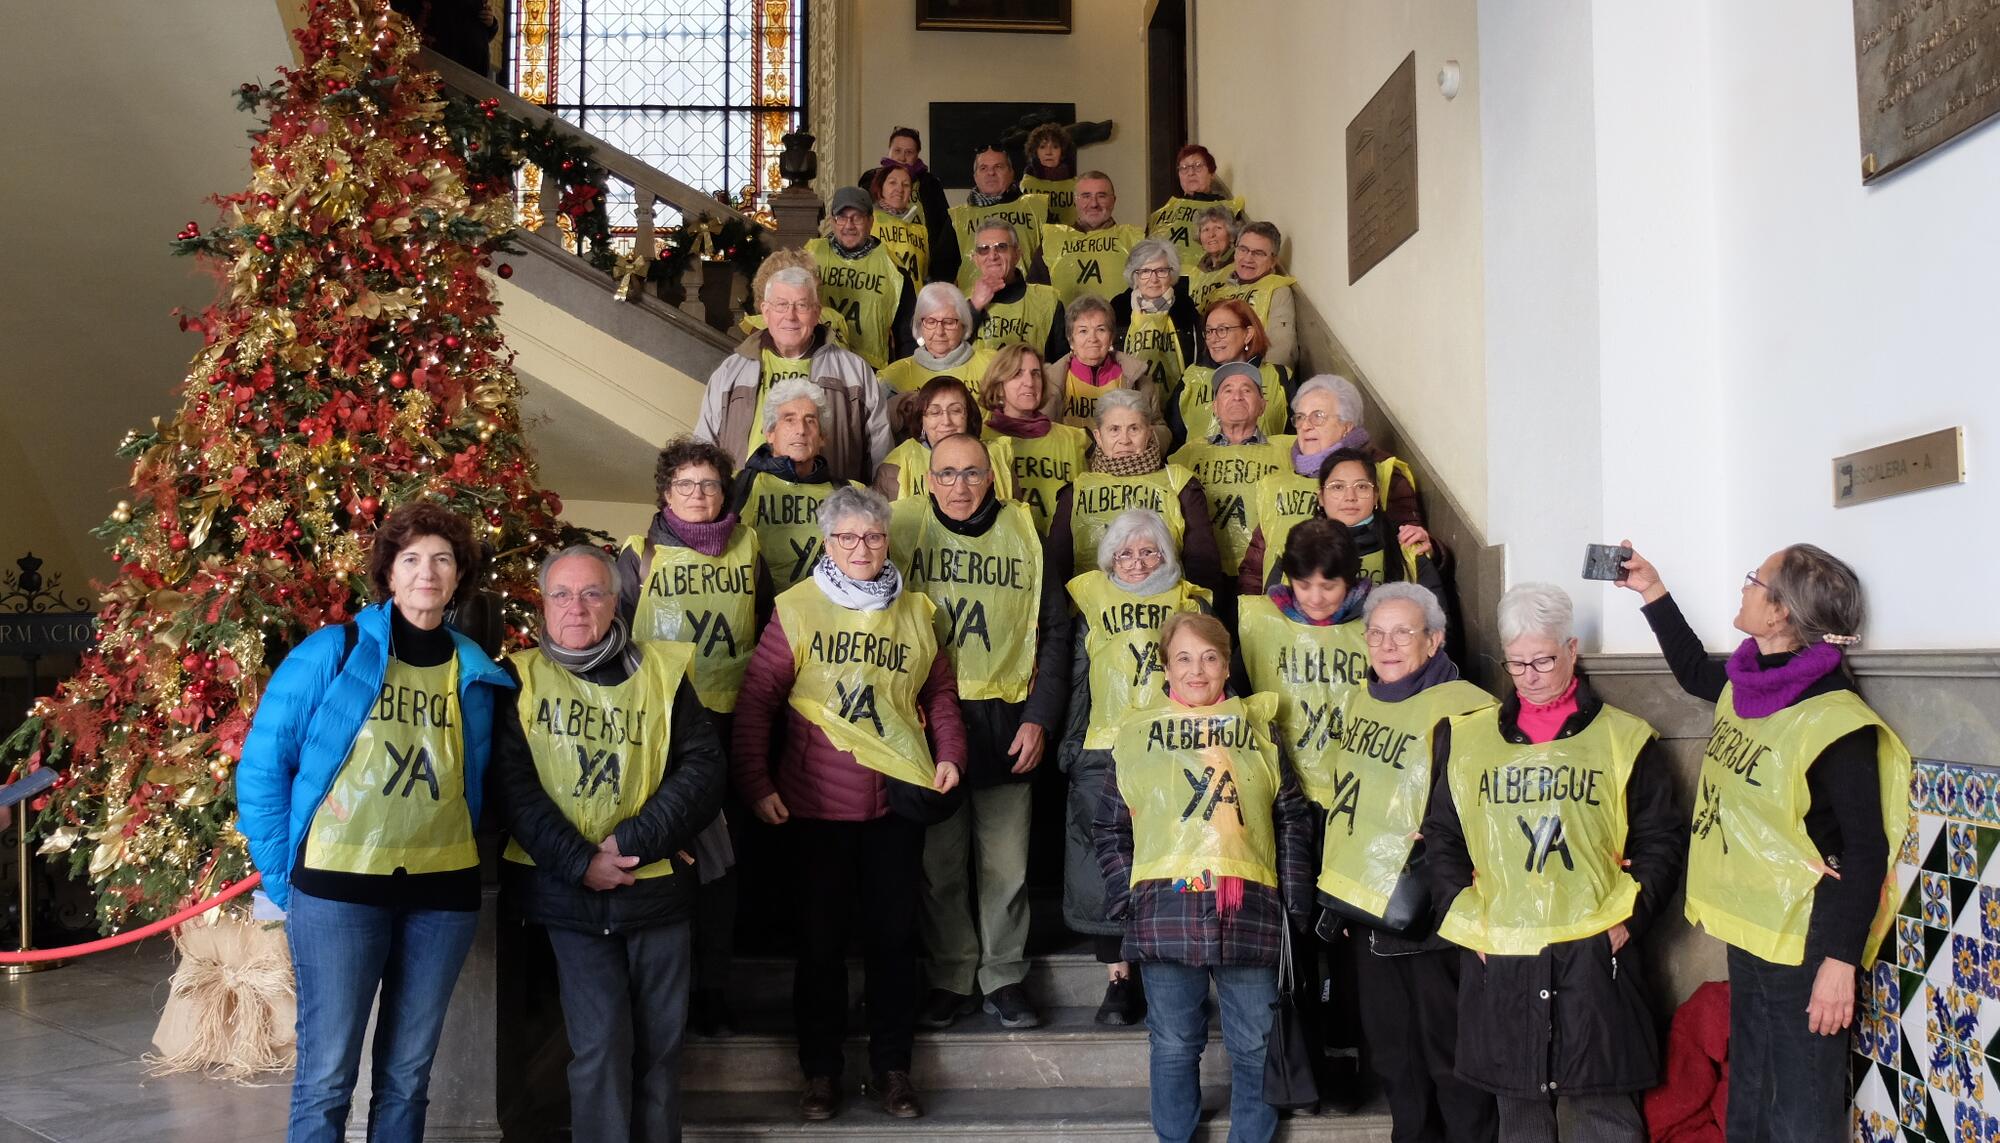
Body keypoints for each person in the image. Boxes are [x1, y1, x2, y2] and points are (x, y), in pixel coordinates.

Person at [237, 502, 514, 1143]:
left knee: (408, 1078)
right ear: (388, 573)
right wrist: (286, 881)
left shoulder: (476, 670)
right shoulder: (334, 651)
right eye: (411, 559)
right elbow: (261, 768)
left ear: (458, 577)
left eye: (442, 559)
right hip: (337, 891)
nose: (427, 572)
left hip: (442, 893)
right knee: (327, 1077)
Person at [1617, 543, 1910, 1143]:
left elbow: (1865, 849)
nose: (1744, 587)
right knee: (1750, 1081)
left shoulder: (1833, 717)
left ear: (1780, 614)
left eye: (1755, 580)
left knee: (1800, 1097)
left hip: (1807, 934)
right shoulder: (1749, 684)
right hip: (1755, 923)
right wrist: (1653, 591)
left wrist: (1839, 964)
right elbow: (1698, 673)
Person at [732, 486, 968, 1122]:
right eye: (847, 538)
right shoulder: (798, 608)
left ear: (887, 540)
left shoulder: (916, 610)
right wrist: (756, 782)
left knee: (895, 941)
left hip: (896, 804)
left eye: (872, 537)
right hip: (815, 808)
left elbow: (940, 693)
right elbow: (758, 701)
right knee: (821, 946)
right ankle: (820, 1073)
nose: (861, 548)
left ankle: (893, 1070)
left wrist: (950, 754)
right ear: (827, 543)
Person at [1424, 583, 1685, 1143]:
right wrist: (1466, 921)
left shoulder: (1624, 738)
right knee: (1519, 1117)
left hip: (1594, 954)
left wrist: (1627, 924)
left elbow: (1662, 839)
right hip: (1501, 951)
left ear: (1572, 649)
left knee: (1604, 1113)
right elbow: (1442, 838)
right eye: (1515, 663)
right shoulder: (1466, 739)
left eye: (1543, 659)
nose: (1530, 675)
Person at [494, 545, 725, 1143]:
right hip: (568, 898)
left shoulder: (663, 673)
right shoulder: (516, 679)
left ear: (615, 600)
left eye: (593, 592)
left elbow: (701, 769)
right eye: (562, 594)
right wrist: (579, 863)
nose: (577, 607)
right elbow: (511, 787)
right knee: (597, 1049)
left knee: (661, 1050)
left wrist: (629, 844)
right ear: (542, 605)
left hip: (656, 892)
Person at [1095, 611, 1313, 1143]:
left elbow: (1290, 817)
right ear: (1166, 667)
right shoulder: (1136, 733)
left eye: (1210, 658)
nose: (1197, 670)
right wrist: (1130, 896)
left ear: (1226, 665)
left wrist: (1295, 903)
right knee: (1172, 1041)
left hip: (1249, 911)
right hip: (1166, 909)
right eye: (1184, 658)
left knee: (1256, 1043)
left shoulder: (1258, 730)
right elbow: (1108, 823)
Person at [893, 435, 1070, 1032]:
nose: (960, 486)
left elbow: (1054, 631)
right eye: (947, 474)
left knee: (1006, 863)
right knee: (939, 865)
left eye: (972, 473)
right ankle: (950, 974)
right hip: (930, 725)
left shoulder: (1025, 531)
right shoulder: (903, 529)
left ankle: (1005, 974)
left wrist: (1040, 717)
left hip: (1006, 719)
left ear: (991, 476)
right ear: (929, 480)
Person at [1311, 582, 1497, 1143]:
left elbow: (1483, 805)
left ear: (1435, 640)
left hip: (1432, 912)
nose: (1388, 645)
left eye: (1403, 633)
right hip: (1367, 909)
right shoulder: (1358, 699)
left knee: (1450, 1056)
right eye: (1377, 633)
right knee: (1394, 1058)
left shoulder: (1467, 707)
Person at [616, 436, 772, 1037]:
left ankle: (714, 988)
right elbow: (619, 642)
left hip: (736, 718)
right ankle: (668, 992)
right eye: (686, 485)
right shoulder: (637, 556)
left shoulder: (748, 546)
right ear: (665, 493)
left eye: (710, 484)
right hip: (667, 729)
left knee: (726, 864)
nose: (700, 495)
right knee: (674, 854)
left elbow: (762, 624)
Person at [1060, 509, 1213, 1027]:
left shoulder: (1192, 603)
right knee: (1103, 863)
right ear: (1109, 559)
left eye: (1149, 551)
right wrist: (1073, 745)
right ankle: (1119, 978)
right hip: (1105, 747)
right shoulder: (1091, 603)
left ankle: (1169, 963)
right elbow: (1077, 675)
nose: (1137, 562)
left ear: (1168, 556)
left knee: (1170, 859)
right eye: (1124, 553)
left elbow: (1216, 674)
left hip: (1174, 750)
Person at [695, 265, 889, 484]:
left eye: (802, 306)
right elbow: (704, 447)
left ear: (817, 313)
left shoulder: (854, 372)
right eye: (781, 305)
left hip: (832, 510)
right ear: (765, 312)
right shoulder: (732, 372)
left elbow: (881, 452)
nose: (791, 316)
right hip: (746, 508)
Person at [1238, 374, 1423, 593]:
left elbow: (1414, 550)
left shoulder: (1384, 473)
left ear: (1347, 426)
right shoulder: (1281, 481)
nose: (1305, 426)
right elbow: (1257, 562)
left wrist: (1434, 551)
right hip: (1286, 617)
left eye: (1318, 417)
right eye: (1300, 417)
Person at [1049, 388, 1222, 599]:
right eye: (1114, 429)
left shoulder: (1180, 485)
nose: (1124, 440)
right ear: (1098, 436)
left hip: (1168, 611)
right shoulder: (1075, 493)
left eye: (1134, 429)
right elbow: (1057, 570)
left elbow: (1202, 565)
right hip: (1093, 615)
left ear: (1149, 433)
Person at [726, 379, 863, 591]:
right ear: (770, 432)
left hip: (822, 615)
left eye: (810, 421)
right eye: (789, 420)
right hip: (753, 614)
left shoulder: (851, 493)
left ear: (822, 437)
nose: (801, 430)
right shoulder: (735, 486)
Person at [1169, 362, 1292, 582]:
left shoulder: (1287, 450)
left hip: (1264, 569)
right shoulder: (1188, 453)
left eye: (1247, 390)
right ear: (1215, 406)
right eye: (1228, 390)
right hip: (1204, 569)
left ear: (1263, 406)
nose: (1237, 397)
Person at [977, 343, 1091, 535]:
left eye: (1035, 373)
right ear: (999, 385)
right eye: (1017, 374)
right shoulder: (979, 441)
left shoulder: (1074, 439)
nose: (1029, 382)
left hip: (1061, 553)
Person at [806, 186, 917, 370]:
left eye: (857, 217)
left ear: (871, 221)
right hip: (817, 363)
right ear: (833, 222)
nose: (849, 225)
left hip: (869, 370)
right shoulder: (810, 256)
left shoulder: (893, 267)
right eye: (842, 217)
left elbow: (907, 334)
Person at [1043, 292, 1167, 444]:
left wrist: (1140, 442)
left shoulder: (1138, 379)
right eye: (1083, 331)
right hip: (1068, 464)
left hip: (1121, 464)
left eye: (1101, 329)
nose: (1093, 339)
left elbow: (1160, 428)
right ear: (1071, 339)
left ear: (1111, 337)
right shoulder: (1049, 381)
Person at [1172, 299, 1289, 450]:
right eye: (1209, 331)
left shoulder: (1280, 376)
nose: (1213, 339)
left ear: (1247, 334)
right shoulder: (1190, 377)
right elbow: (1175, 439)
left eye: (1223, 330)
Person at [872, 376, 1014, 502]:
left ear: (969, 415)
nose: (946, 421)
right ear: (921, 419)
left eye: (956, 411)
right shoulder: (894, 468)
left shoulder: (997, 455)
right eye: (934, 412)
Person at [858, 126, 959, 284]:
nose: (902, 158)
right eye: (897, 150)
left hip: (920, 262)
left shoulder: (931, 184)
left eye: (909, 152)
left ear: (917, 155)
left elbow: (943, 226)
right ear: (889, 150)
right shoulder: (870, 180)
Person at [950, 143, 1050, 290]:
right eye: (983, 168)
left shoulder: (1037, 207)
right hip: (974, 306)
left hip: (1028, 303)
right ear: (975, 176)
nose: (991, 173)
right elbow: (943, 270)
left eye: (998, 167)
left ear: (1011, 172)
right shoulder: (957, 217)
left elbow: (1055, 258)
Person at [1202, 220, 1296, 372]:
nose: (1248, 258)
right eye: (1243, 249)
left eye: (1258, 253)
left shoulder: (1278, 291)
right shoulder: (1219, 285)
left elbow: (1282, 351)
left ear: (1273, 261)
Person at [1112, 237, 1201, 399]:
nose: (1153, 279)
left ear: (1171, 274)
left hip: (1178, 401)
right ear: (1135, 276)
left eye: (1161, 271)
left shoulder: (1186, 308)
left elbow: (1198, 359)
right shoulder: (1118, 308)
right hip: (1127, 404)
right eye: (1145, 271)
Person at [966, 220, 1066, 360]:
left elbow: (1062, 363)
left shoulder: (1048, 300)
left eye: (1001, 247)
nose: (992, 256)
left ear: (1017, 254)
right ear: (976, 259)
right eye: (984, 249)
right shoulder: (958, 303)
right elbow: (948, 357)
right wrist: (973, 309)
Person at [878, 282, 995, 399]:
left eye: (948, 322)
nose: (939, 332)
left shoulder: (992, 365)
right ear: (920, 326)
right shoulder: (894, 377)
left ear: (963, 325)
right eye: (931, 322)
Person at [1044, 171, 1145, 306]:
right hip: (1066, 325)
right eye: (1086, 196)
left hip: (1122, 325)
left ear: (1113, 201)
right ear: (1075, 201)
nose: (1094, 204)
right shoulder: (1052, 241)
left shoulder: (1135, 241)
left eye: (1101, 196)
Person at [1148, 144, 1244, 269]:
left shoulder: (1226, 210)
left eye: (1198, 166)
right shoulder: (1163, 212)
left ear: (1212, 173)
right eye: (1184, 168)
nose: (1191, 173)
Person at [870, 163, 931, 284]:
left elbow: (924, 273)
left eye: (906, 185)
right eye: (893, 183)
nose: (900, 189)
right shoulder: (868, 221)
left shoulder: (921, 231)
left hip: (913, 300)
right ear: (880, 187)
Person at [1019, 121, 1079, 225]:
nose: (1048, 152)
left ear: (1062, 151)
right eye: (1042, 147)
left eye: (1055, 147)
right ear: (1035, 151)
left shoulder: (1077, 185)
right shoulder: (1026, 184)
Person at [1188, 205, 1240, 302]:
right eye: (1205, 230)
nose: (1211, 234)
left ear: (1231, 236)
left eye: (1218, 228)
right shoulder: (1199, 268)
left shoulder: (1238, 265)